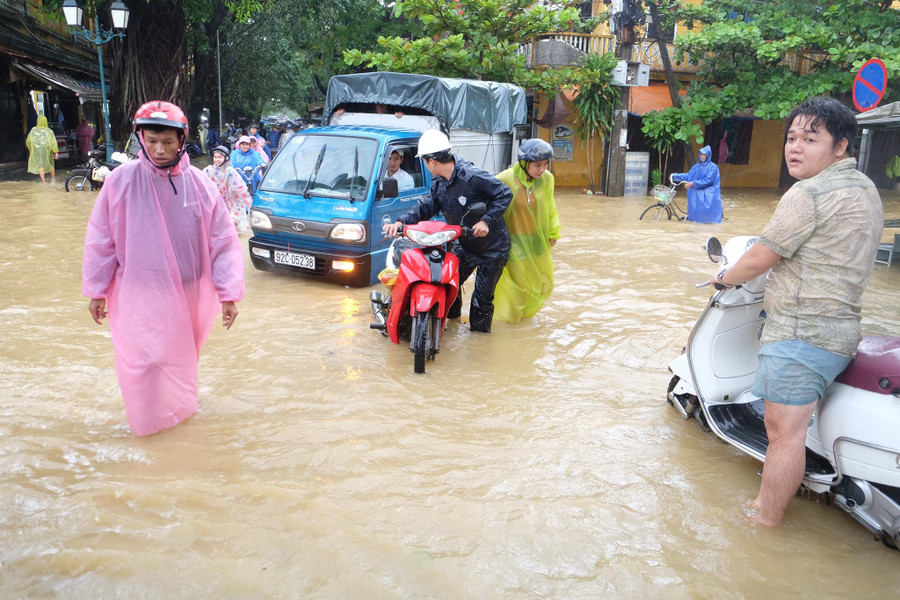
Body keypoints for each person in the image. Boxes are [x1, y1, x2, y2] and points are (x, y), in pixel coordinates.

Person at [709, 96, 883, 527]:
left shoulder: (808, 193)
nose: (795, 147)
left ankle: (764, 521)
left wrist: (724, 276)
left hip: (799, 337)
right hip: (842, 332)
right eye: (791, 137)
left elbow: (759, 258)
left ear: (840, 146)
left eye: (810, 138)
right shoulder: (865, 188)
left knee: (783, 435)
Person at [81, 100, 245, 436]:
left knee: (177, 359)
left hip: (188, 290)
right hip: (139, 291)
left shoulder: (200, 185)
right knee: (143, 362)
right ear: (139, 137)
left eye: (168, 142)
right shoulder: (120, 182)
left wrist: (228, 294)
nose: (159, 149)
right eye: (152, 140)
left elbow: (222, 242)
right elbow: (102, 239)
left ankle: (178, 422)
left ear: (182, 141)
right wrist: (97, 290)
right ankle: (148, 426)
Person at [383, 129, 511, 333]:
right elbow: (426, 206)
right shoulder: (439, 184)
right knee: (446, 283)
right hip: (465, 243)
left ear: (431, 161)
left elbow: (504, 193)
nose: (425, 165)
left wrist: (486, 221)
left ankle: (478, 345)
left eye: (424, 161)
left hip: (492, 248)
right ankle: (451, 325)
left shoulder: (472, 176)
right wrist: (400, 222)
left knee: (481, 301)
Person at [493, 139, 561, 323]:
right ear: (524, 163)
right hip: (514, 243)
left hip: (538, 241)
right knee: (520, 287)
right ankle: (510, 323)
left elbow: (550, 207)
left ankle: (525, 320)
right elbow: (490, 208)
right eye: (537, 165)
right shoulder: (504, 179)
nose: (542, 169)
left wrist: (553, 233)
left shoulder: (547, 179)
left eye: (545, 164)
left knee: (542, 284)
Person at [203, 145, 253, 235]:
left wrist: (249, 202)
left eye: (220, 157)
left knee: (231, 225)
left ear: (226, 158)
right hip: (214, 202)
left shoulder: (230, 171)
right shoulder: (208, 171)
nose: (217, 159)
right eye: (215, 157)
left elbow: (240, 187)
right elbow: (199, 185)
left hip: (229, 202)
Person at [671, 145, 722, 223]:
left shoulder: (713, 167)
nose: (702, 156)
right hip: (695, 194)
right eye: (701, 154)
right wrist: (675, 176)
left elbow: (708, 181)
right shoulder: (696, 167)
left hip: (708, 194)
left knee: (706, 220)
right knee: (694, 219)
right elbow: (688, 175)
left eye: (704, 154)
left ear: (708, 155)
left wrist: (693, 183)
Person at [25, 116, 59, 184]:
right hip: (48, 150)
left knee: (40, 166)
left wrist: (30, 149)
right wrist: (56, 152)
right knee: (51, 164)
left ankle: (44, 182)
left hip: (37, 151)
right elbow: (53, 142)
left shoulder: (33, 130)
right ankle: (53, 180)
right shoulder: (49, 131)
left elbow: (28, 140)